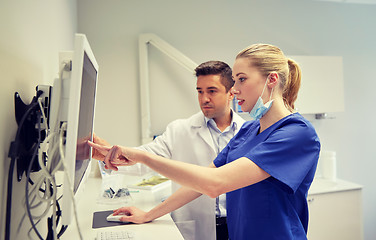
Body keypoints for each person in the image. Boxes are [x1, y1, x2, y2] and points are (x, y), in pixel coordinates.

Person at [90, 44, 321, 240]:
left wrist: (143, 156)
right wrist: (148, 214)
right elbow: (199, 184)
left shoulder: (297, 134)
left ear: (271, 79)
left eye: (241, 79)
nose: (235, 89)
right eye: (234, 81)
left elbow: (215, 184)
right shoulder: (249, 130)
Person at [92, 61, 245, 240]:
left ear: (230, 93)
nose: (204, 99)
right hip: (195, 225)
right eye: (200, 91)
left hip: (236, 224)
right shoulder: (180, 130)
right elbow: (145, 159)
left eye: (212, 91)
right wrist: (107, 155)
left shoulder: (247, 131)